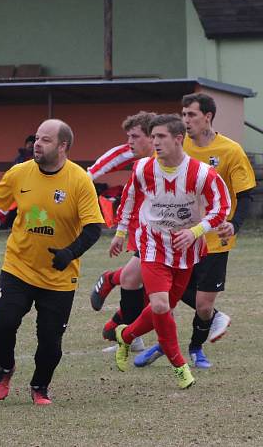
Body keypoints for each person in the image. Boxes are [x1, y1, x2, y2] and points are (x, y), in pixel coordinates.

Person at [0, 119, 103, 405]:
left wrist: (69, 253)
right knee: (1, 328)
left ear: (62, 146)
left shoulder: (79, 180)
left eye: (45, 140)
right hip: (18, 267)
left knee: (50, 343)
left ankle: (40, 387)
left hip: (58, 276)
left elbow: (94, 228)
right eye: (36, 139)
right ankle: (5, 368)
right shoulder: (20, 172)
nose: (37, 145)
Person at [105, 114, 229, 389]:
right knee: (161, 305)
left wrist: (195, 231)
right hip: (151, 245)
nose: (155, 142)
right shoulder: (142, 169)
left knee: (165, 307)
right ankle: (179, 365)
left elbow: (222, 208)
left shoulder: (202, 173)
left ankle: (125, 336)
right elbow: (128, 201)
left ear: (178, 139)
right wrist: (121, 233)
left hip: (187, 250)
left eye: (160, 137)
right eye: (153, 137)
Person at [134, 93, 255, 369]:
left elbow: (246, 195)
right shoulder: (176, 144)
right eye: (184, 114)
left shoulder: (230, 151)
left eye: (191, 115)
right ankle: (167, 343)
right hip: (176, 239)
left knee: (202, 306)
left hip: (212, 239)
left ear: (208, 117)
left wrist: (233, 225)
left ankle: (196, 347)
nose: (186, 120)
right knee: (166, 297)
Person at [86, 112, 158, 354]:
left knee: (145, 285)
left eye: (135, 136)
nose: (130, 142)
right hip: (147, 231)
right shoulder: (141, 163)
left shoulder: (172, 158)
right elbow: (127, 196)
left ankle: (117, 316)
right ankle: (126, 332)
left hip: (172, 233)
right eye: (129, 137)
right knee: (141, 284)